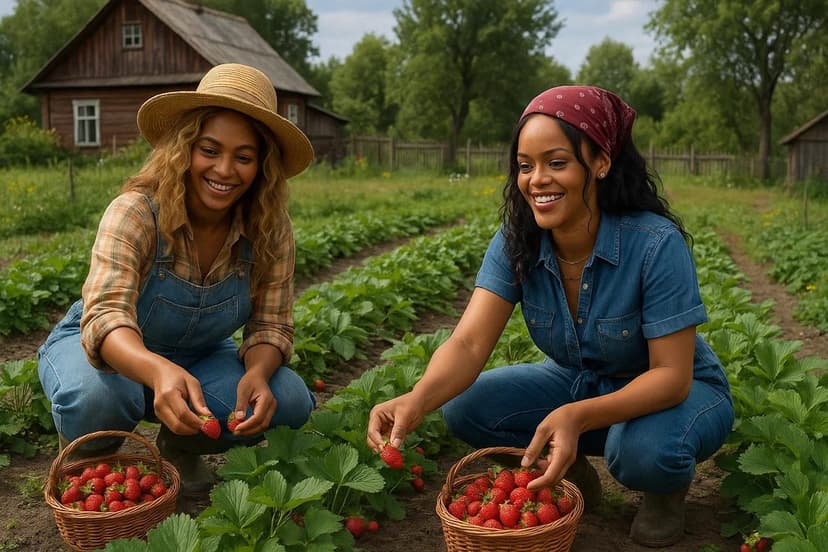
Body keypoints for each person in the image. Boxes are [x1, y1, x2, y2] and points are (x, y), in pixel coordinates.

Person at [366, 85, 734, 547]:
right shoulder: (517, 239)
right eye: (525, 166)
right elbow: (468, 343)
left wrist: (575, 416)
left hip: (674, 393)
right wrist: (416, 399)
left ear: (600, 163)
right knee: (464, 407)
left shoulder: (655, 244)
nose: (537, 179)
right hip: (578, 381)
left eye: (556, 163)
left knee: (642, 452)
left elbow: (671, 377)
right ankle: (570, 472)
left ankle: (663, 492)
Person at [37, 63, 316, 494]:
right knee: (98, 399)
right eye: (210, 150)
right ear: (184, 147)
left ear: (262, 165)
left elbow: (270, 325)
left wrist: (258, 373)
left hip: (200, 357)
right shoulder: (136, 212)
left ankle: (181, 444)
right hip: (108, 350)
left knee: (289, 398)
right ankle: (92, 453)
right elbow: (107, 315)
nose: (225, 169)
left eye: (243, 157)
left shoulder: (269, 229)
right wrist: (156, 370)